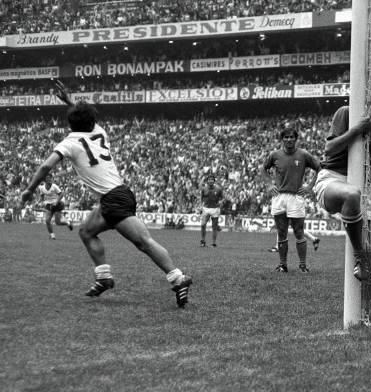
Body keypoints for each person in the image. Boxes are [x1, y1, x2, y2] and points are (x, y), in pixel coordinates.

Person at [21, 80, 192, 308]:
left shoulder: (69, 142)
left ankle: (178, 278)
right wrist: (69, 101)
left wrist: (29, 190)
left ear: (70, 124)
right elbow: (85, 119)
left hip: (114, 198)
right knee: (86, 231)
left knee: (143, 242)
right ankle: (104, 278)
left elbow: (45, 167)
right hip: (117, 194)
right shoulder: (99, 131)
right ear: (92, 121)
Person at [313, 80, 371, 280]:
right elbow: (329, 149)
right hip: (332, 179)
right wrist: (357, 130)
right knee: (351, 195)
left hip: (363, 185)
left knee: (367, 272)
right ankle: (361, 255)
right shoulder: (346, 112)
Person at [262, 125, 321, 273]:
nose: (289, 139)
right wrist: (269, 184)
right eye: (286, 137)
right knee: (281, 232)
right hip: (279, 197)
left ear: (296, 139)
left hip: (296, 197)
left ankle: (302, 265)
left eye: (291, 137)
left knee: (299, 232)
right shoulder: (275, 155)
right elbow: (263, 169)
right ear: (282, 139)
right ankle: (283, 265)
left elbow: (319, 168)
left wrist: (310, 186)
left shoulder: (303, 154)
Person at [199, 173, 223, 247]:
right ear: (207, 181)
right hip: (206, 208)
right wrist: (201, 205)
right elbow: (201, 198)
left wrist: (220, 202)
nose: (211, 181)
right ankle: (203, 241)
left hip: (215, 209)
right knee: (203, 225)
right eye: (209, 179)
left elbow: (222, 198)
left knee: (214, 227)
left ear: (214, 181)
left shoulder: (218, 189)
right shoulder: (204, 188)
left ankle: (214, 243)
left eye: (212, 179)